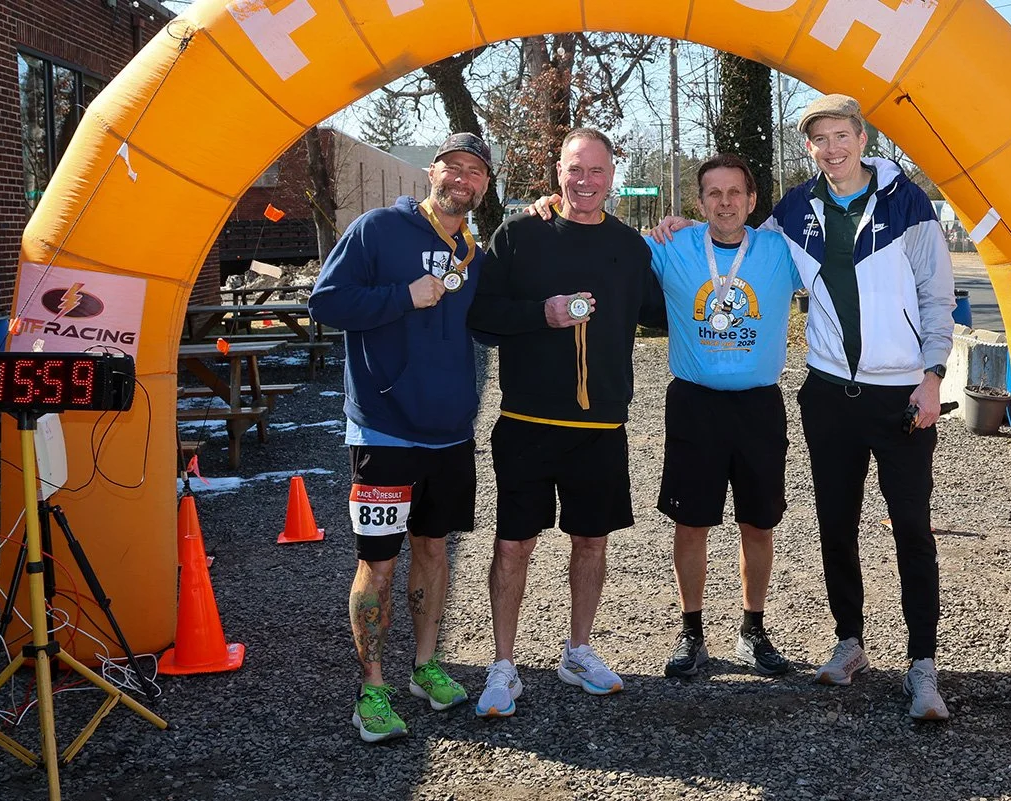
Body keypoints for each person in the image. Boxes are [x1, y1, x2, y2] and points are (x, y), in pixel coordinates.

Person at [655, 95, 956, 720]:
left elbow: (936, 296)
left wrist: (931, 376)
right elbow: (736, 245)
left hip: (900, 392)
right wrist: (680, 229)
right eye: (819, 139)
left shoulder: (909, 203)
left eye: (841, 135)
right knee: (836, 526)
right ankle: (850, 642)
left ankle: (923, 665)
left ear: (861, 136)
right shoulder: (795, 208)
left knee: (911, 530)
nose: (831, 148)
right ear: (810, 147)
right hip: (827, 394)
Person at [528, 154, 802, 680]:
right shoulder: (671, 244)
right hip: (695, 403)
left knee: (758, 522)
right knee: (691, 521)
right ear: (699, 203)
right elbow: (601, 249)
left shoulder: (778, 250)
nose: (725, 203)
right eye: (713, 194)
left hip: (759, 405)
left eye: (734, 193)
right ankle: (692, 631)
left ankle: (753, 628)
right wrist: (552, 210)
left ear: (751, 200)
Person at [467, 127, 665, 718]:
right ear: (558, 172)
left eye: (597, 170)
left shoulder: (631, 248)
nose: (585, 182)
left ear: (613, 174)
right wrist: (540, 314)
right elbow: (481, 313)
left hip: (601, 425)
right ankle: (503, 664)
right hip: (526, 420)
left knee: (590, 540)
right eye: (574, 170)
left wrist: (682, 240)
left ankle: (577, 648)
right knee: (514, 543)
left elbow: (663, 310)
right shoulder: (520, 235)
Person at [308, 132, 493, 742]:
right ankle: (372, 689)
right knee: (379, 564)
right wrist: (400, 297)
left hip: (449, 433)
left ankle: (425, 667)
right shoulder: (376, 230)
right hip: (384, 430)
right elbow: (326, 303)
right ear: (432, 171)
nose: (463, 178)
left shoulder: (472, 251)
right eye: (454, 167)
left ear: (485, 187)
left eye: (476, 172)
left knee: (435, 551)